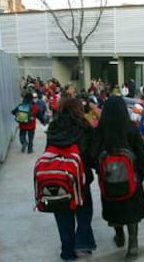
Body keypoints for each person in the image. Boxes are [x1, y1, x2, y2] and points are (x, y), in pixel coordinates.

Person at [91, 96, 144, 259]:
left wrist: (101, 171)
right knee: (132, 214)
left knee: (114, 209)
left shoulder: (100, 130)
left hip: (109, 180)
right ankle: (133, 246)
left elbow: (92, 155)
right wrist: (139, 175)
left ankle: (119, 237)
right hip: (131, 180)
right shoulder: (131, 128)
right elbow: (141, 155)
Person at [46, 98, 97, 260]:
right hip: (80, 178)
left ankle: (67, 252)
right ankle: (83, 244)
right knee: (84, 212)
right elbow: (91, 154)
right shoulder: (84, 126)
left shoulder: (53, 127)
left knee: (62, 215)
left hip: (58, 178)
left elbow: (48, 151)